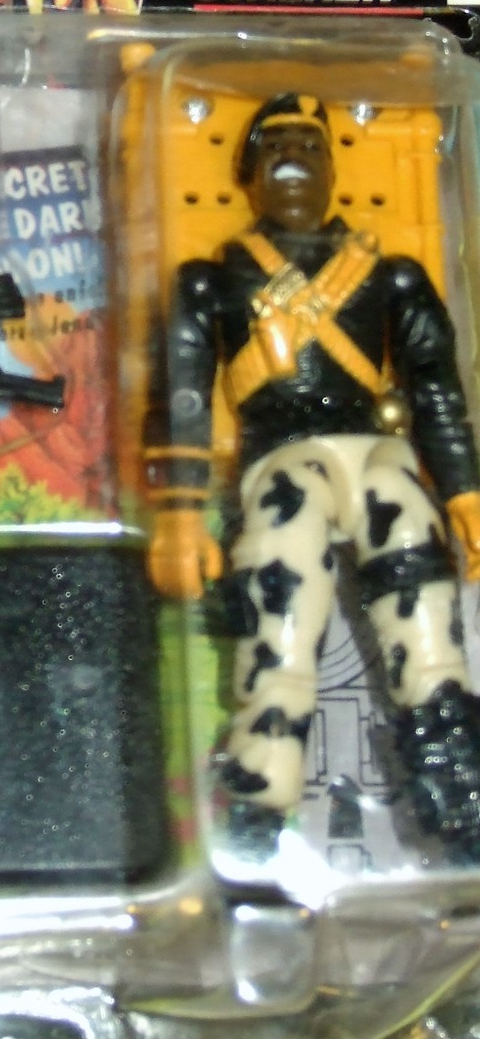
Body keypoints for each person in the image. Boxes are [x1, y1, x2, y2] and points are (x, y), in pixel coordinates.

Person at [146, 93, 480, 861]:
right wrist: (179, 513)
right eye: (273, 146)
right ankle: (259, 799)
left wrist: (463, 489)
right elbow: (182, 395)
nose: (291, 157)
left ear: (332, 168)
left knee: (421, 604)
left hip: (376, 454)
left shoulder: (389, 276)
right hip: (281, 458)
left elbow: (434, 386)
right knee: (280, 618)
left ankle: (457, 782)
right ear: (246, 173)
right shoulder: (211, 281)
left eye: (307, 144)